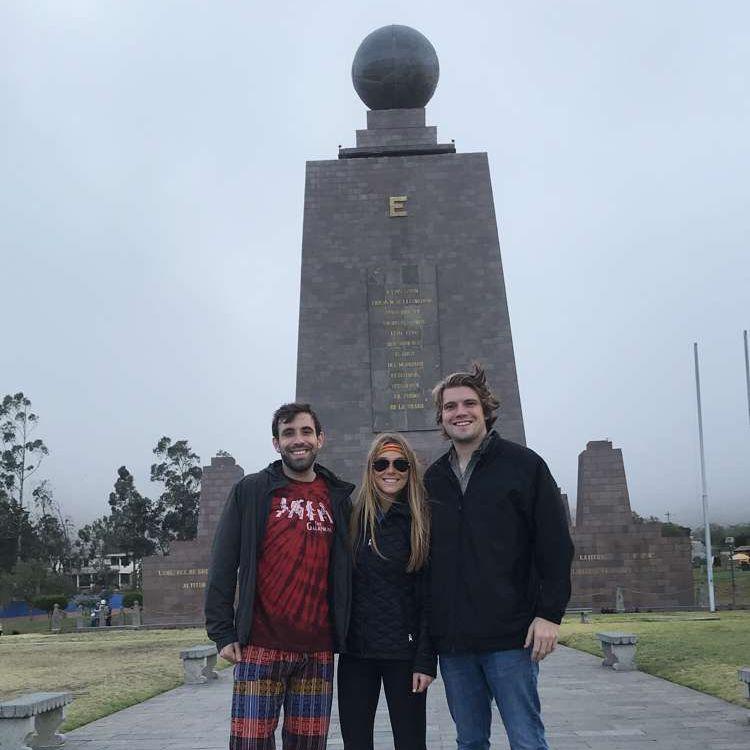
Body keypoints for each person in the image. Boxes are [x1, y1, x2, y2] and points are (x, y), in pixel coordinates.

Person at [425, 364, 574, 750]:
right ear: (441, 417)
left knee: (526, 739)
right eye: (450, 406)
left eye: (469, 403)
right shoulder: (433, 478)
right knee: (470, 741)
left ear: (486, 409)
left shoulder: (525, 466)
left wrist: (549, 614)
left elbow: (555, 546)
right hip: (455, 642)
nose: (460, 412)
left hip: (511, 637)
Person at [205, 402, 354, 750]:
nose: (297, 440)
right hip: (260, 646)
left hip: (317, 651)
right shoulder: (253, 490)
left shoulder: (337, 498)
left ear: (320, 439)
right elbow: (223, 563)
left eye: (305, 432)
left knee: (307, 745)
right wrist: (222, 632)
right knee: (249, 744)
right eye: (288, 433)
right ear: (276, 443)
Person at [338, 433, 435, 750]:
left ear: (410, 470)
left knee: (410, 744)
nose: (389, 470)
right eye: (381, 463)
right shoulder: (351, 519)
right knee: (356, 743)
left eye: (399, 463)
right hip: (356, 655)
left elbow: (428, 599)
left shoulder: (420, 522)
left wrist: (425, 661)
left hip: (403, 657)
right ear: (370, 468)